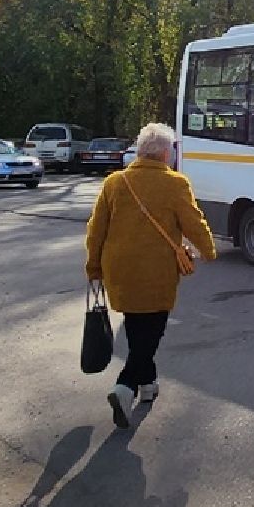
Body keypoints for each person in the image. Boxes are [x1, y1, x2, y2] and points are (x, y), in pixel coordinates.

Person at [83, 122, 216, 428]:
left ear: (140, 151)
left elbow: (96, 230)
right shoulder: (175, 183)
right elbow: (194, 222)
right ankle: (125, 385)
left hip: (119, 270)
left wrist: (93, 267)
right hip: (157, 272)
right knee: (153, 330)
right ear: (166, 153)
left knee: (136, 325)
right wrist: (209, 250)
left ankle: (148, 385)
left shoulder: (115, 182)